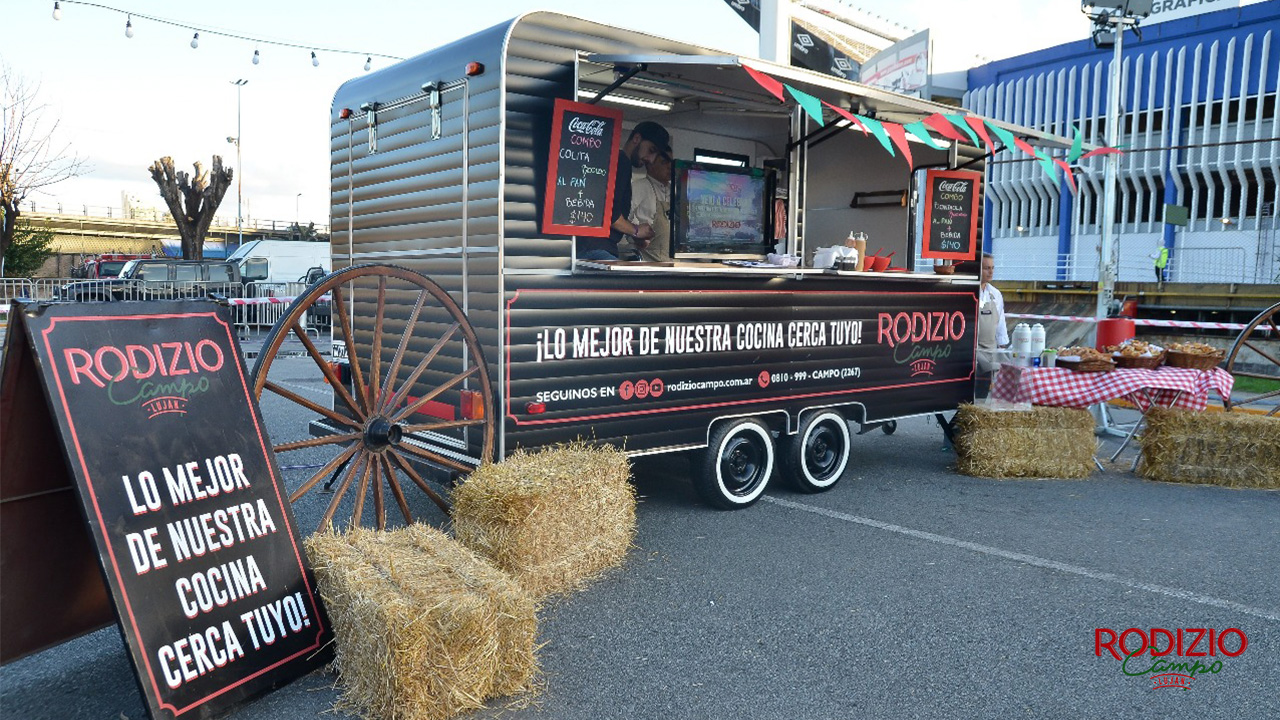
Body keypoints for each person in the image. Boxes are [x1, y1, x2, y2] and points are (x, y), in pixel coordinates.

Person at [576, 120, 669, 261]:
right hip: (597, 248)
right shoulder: (621, 162)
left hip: (590, 247)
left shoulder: (615, 162)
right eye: (651, 150)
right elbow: (610, 215)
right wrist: (636, 231)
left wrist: (633, 234)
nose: (650, 159)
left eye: (655, 155)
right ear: (636, 138)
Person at [628, 149, 673, 262]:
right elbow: (623, 220)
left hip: (674, 262)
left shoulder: (676, 190)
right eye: (664, 162)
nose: (670, 166)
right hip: (648, 261)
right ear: (650, 165)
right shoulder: (638, 187)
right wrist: (635, 235)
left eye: (671, 162)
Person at [976, 252, 1009, 375]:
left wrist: (1002, 345)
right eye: (986, 268)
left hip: (992, 348)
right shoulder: (970, 292)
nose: (991, 272)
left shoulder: (995, 294)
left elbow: (1000, 322)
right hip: (974, 350)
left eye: (992, 268)